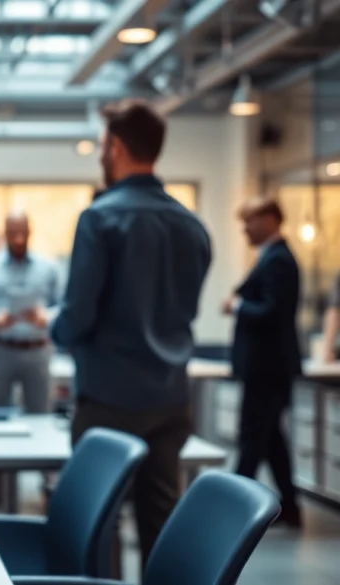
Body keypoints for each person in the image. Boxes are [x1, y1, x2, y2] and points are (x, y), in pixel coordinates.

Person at [50, 99, 212, 567]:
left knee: (101, 523)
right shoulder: (193, 225)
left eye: (103, 145)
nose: (102, 154)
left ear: (116, 148)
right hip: (171, 398)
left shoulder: (100, 218)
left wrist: (57, 329)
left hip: (109, 397)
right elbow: (184, 308)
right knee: (160, 520)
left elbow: (78, 315)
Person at [222, 197, 302, 527]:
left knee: (252, 439)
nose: (245, 230)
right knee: (270, 441)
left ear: (270, 219)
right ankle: (291, 507)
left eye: (249, 222)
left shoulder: (279, 260)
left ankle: (232, 510)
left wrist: (238, 306)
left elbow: (273, 312)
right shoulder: (270, 257)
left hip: (267, 369)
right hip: (266, 368)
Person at [0, 212, 60, 415]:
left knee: (41, 413)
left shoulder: (49, 267)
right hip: (1, 349)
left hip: (37, 349)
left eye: (22, 233)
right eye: (12, 233)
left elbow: (63, 306)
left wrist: (46, 318)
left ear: (30, 232)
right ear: (4, 234)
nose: (18, 239)